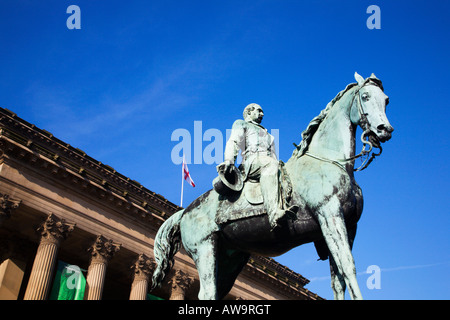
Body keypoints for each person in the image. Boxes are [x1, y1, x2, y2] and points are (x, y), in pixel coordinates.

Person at [223, 103, 292, 229]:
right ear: (249, 112)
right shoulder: (241, 124)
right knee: (270, 163)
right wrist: (229, 160)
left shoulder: (269, 136)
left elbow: (274, 157)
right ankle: (274, 214)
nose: (262, 114)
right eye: (259, 111)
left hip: (268, 162)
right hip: (251, 162)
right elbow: (233, 141)